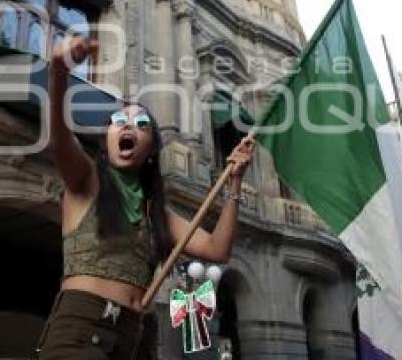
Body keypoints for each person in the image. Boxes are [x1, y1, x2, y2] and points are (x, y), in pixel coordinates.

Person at [36, 36, 256, 360]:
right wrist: (58, 72)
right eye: (118, 122)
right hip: (79, 330)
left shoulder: (157, 213)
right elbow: (58, 138)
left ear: (151, 149)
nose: (128, 127)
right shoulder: (86, 182)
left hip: (132, 335)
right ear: (106, 140)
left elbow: (217, 249)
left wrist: (233, 184)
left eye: (140, 125)